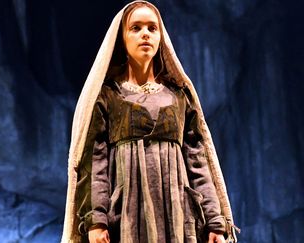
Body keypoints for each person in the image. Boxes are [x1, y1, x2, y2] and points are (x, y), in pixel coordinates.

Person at [62, 1, 239, 242]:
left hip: (177, 214)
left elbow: (198, 160)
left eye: (151, 28)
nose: (145, 33)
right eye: (136, 28)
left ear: (160, 37)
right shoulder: (108, 96)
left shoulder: (179, 97)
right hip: (126, 216)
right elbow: (95, 161)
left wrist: (215, 221)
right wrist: (96, 220)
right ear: (122, 38)